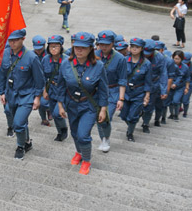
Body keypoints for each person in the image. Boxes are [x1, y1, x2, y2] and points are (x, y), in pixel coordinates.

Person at [53, 32, 108, 175]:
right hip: (71, 104)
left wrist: (103, 109)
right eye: (76, 47)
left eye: (83, 48)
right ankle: (79, 151)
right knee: (75, 133)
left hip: (88, 106)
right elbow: (60, 85)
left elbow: (103, 89)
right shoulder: (66, 63)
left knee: (83, 135)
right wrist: (60, 105)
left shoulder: (98, 66)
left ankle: (87, 160)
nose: (79, 50)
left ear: (91, 48)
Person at [0, 29, 44, 160]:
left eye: (16, 40)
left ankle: (20, 146)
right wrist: (2, 92)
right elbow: (0, 73)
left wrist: (37, 97)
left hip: (26, 95)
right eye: (10, 40)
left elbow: (40, 79)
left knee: (18, 123)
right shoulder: (5, 54)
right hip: (11, 94)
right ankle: (27, 141)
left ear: (23, 39)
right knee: (19, 120)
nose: (13, 43)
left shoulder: (31, 57)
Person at [95, 31, 127, 153]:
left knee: (106, 116)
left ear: (113, 43)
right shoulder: (94, 54)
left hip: (112, 91)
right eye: (101, 44)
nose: (104, 47)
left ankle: (106, 138)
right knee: (98, 117)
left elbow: (122, 79)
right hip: (96, 90)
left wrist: (121, 98)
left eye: (107, 44)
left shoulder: (120, 58)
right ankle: (102, 138)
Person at [120, 38, 152, 142]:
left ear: (142, 49)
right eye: (132, 46)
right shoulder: (124, 60)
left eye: (137, 47)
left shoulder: (146, 63)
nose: (134, 49)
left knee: (132, 116)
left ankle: (130, 133)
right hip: (125, 91)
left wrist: (147, 96)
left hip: (138, 92)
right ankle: (131, 124)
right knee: (124, 115)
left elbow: (148, 81)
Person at [40, 35, 68, 141]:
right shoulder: (46, 59)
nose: (53, 49)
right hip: (51, 88)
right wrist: (45, 90)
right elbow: (43, 76)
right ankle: (60, 131)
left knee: (57, 113)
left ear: (61, 47)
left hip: (64, 90)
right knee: (53, 111)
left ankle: (64, 129)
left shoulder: (67, 60)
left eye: (56, 46)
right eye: (51, 46)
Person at [140, 40, 169, 133]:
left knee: (149, 106)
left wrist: (164, 90)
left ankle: (145, 123)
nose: (146, 55)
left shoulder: (160, 58)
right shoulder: (137, 54)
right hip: (139, 83)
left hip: (153, 84)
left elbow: (164, 74)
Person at [165, 50, 190, 122]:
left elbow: (187, 78)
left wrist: (187, 87)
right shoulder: (170, 65)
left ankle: (176, 114)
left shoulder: (185, 67)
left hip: (179, 87)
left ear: (181, 59)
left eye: (178, 59)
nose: (176, 60)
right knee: (169, 101)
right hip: (170, 86)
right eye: (174, 58)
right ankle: (171, 114)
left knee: (176, 101)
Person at [181, 51, 192, 117]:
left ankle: (185, 112)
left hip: (190, 83)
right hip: (181, 82)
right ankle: (179, 108)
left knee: (185, 99)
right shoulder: (179, 64)